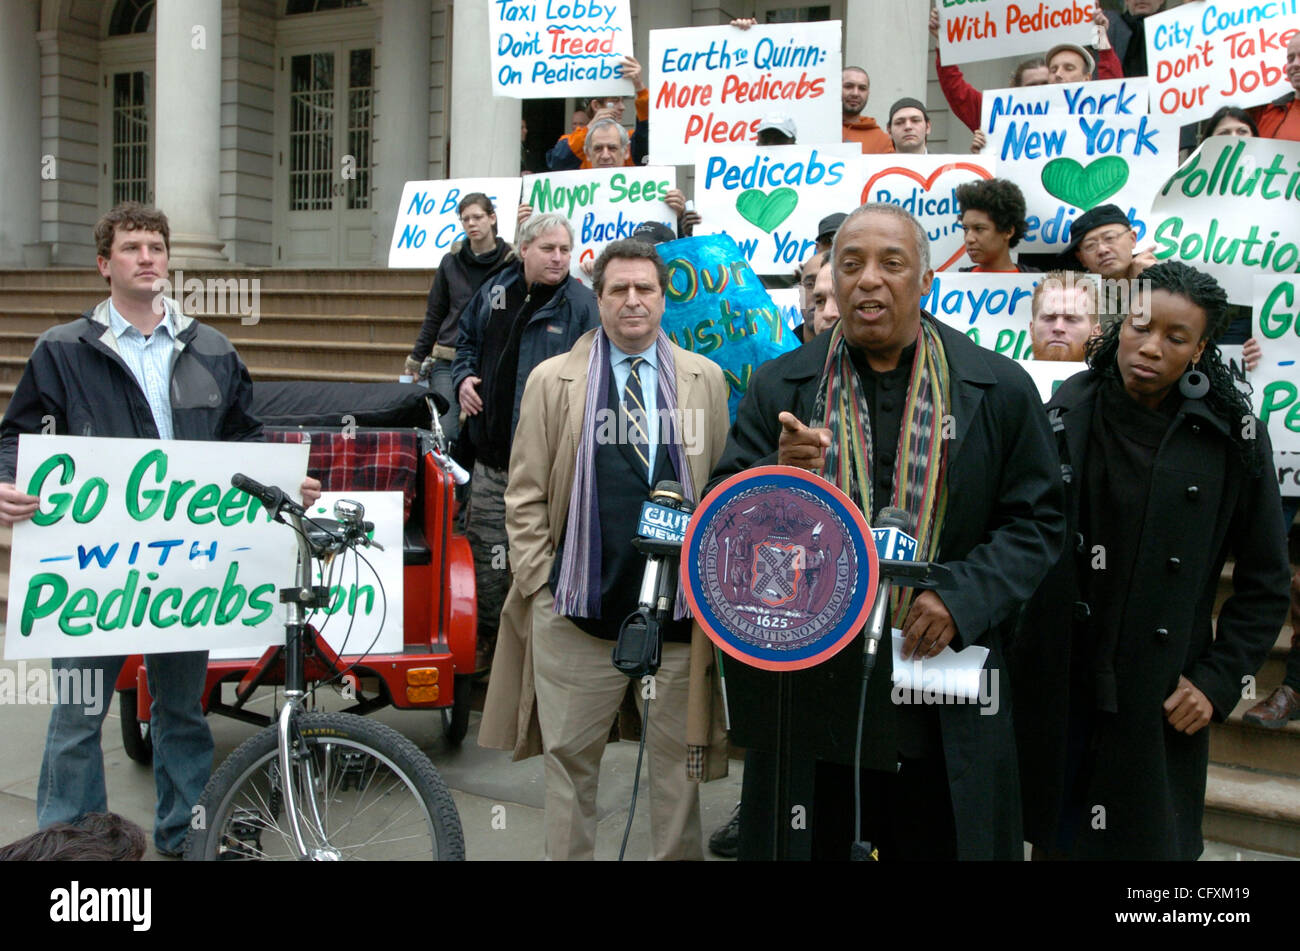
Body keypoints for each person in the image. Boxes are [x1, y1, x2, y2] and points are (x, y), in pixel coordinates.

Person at [711, 202, 1066, 860]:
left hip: (940, 692)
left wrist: (962, 597)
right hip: (814, 690)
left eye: (891, 264)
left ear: (926, 280)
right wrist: (774, 482)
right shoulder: (783, 384)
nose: (868, 279)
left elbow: (1038, 522)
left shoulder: (999, 387)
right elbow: (722, 529)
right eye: (850, 265)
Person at [0, 202, 320, 857]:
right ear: (103, 265)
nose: (147, 257)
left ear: (169, 260)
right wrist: (5, 480)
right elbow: (16, 434)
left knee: (182, 710)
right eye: (131, 247)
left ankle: (187, 836)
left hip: (185, 567)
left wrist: (280, 481)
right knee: (75, 717)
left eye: (156, 246)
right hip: (92, 568)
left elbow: (245, 439)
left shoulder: (211, 347)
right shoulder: (62, 349)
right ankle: (74, 848)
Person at [1013, 261, 1291, 860]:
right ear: (1119, 325)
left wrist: (1218, 683)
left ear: (1198, 352)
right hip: (1066, 684)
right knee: (1058, 843)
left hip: (1160, 693)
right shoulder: (1063, 410)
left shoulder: (1233, 436)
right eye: (1141, 327)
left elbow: (1266, 581)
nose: (1151, 347)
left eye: (1176, 337)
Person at [478, 239, 731, 860]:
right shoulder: (551, 380)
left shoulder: (705, 379)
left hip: (678, 620)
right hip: (577, 618)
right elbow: (525, 494)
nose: (632, 301)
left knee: (677, 775)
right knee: (570, 770)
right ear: (600, 298)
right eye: (618, 289)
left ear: (663, 298)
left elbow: (723, 489)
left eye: (645, 288)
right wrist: (541, 586)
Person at [452, 213, 599, 671]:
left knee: (536, 564)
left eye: (564, 250)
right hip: (491, 464)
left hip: (548, 471)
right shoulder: (495, 291)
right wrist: (461, 379)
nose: (559, 258)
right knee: (488, 563)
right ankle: (491, 651)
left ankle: (534, 660)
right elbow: (465, 343)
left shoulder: (581, 305)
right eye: (549, 249)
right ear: (525, 249)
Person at [406, 193, 515, 442]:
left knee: (487, 432)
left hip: (494, 358)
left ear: (492, 218)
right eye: (465, 219)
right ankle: (448, 480)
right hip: (449, 356)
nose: (471, 224)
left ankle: (472, 479)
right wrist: (416, 359)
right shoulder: (450, 262)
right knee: (446, 430)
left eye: (477, 217)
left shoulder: (512, 263)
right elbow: (435, 314)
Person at [931, 8, 1122, 134]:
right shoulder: (1002, 116)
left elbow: (1113, 90)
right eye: (1032, 86)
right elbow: (959, 94)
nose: (1058, 74)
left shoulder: (1096, 109)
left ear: (1087, 78)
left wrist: (1103, 42)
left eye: (1045, 83)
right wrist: (944, 44)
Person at [546, 56, 649, 170]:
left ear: (625, 151)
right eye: (615, 101)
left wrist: (639, 86)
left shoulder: (627, 140)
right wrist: (590, 127)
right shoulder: (576, 141)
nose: (622, 107)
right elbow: (557, 162)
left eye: (613, 148)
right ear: (596, 106)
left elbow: (645, 141)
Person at [956, 178, 1040, 273]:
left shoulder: (1038, 283)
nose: (969, 239)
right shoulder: (951, 284)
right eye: (965, 229)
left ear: (1008, 231)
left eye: (979, 229)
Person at [1029, 271, 1100, 362]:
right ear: (1032, 329)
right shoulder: (1008, 376)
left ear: (1095, 333)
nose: (1058, 328)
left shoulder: (1113, 376)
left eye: (1071, 319)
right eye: (1049, 318)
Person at [841, 66, 894, 154]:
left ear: (868, 93)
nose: (855, 93)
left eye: (862, 88)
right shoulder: (818, 128)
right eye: (848, 86)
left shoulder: (881, 140)